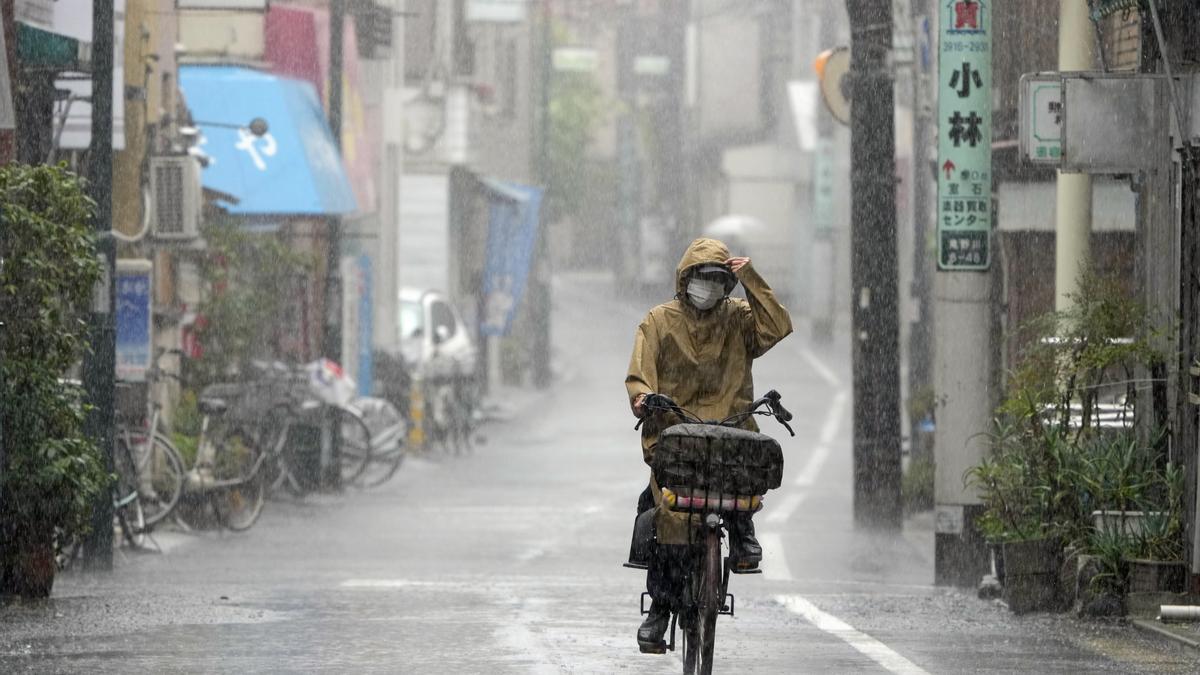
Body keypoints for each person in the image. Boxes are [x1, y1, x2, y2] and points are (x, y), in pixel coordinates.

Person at [625, 237, 793, 652]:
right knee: (665, 515)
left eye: (719, 280)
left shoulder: (738, 319)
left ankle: (742, 531)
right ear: (685, 280)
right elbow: (639, 375)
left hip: (731, 437)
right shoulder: (658, 321)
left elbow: (778, 326)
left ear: (728, 284)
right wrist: (643, 398)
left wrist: (750, 276)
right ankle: (660, 609)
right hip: (676, 438)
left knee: (745, 484)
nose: (709, 287)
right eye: (702, 278)